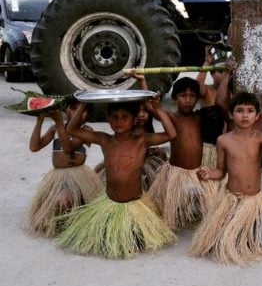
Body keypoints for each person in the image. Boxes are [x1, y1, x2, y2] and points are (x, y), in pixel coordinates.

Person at [56, 99, 178, 259]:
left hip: (135, 205)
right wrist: (84, 104)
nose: (119, 121)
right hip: (110, 203)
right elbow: (71, 130)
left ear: (135, 119)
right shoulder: (104, 139)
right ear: (108, 119)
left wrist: (157, 108)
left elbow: (171, 134)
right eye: (114, 117)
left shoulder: (142, 141)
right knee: (104, 240)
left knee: (136, 240)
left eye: (124, 117)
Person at [190, 92, 262, 265]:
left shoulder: (260, 137)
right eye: (239, 110)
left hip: (254, 201)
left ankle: (244, 229)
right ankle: (228, 229)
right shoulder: (223, 140)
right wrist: (208, 174)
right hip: (233, 200)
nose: (245, 115)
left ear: (257, 116)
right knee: (225, 243)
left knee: (260, 242)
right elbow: (220, 171)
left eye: (250, 110)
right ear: (231, 114)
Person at [148, 77, 223, 231]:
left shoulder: (200, 117)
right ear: (175, 98)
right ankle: (175, 215)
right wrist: (145, 84)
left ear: (197, 98)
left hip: (199, 170)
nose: (188, 100)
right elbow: (153, 108)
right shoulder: (171, 117)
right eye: (183, 96)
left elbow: (221, 105)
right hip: (177, 172)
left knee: (211, 204)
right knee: (171, 211)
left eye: (192, 96)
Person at [27, 107, 102, 237]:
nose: (76, 113)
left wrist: (59, 123)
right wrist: (39, 120)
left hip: (77, 175)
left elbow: (68, 148)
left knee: (65, 201)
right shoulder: (54, 129)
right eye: (73, 108)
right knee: (57, 204)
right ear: (65, 110)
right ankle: (59, 224)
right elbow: (34, 147)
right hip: (58, 175)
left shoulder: (86, 131)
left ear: (88, 114)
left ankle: (77, 224)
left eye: (82, 110)